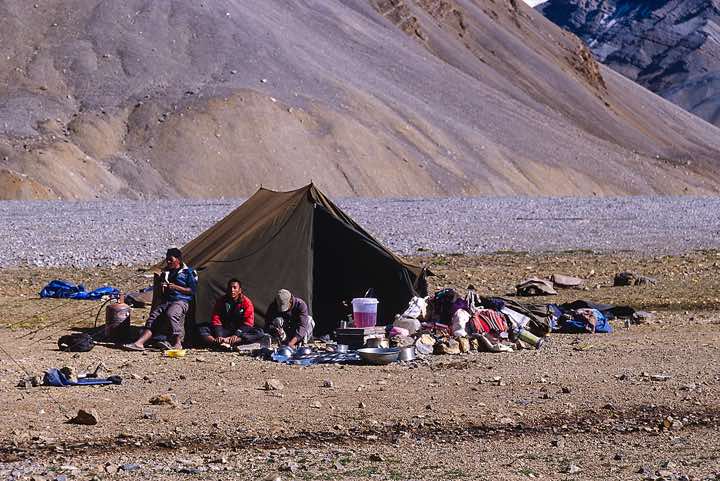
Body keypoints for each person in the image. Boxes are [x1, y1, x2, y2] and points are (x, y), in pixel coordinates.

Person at [124, 248, 198, 351]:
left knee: (172, 314)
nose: (168, 262)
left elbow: (192, 290)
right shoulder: (166, 272)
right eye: (167, 259)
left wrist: (176, 287)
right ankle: (139, 343)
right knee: (153, 318)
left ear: (178, 259)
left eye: (171, 259)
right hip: (167, 300)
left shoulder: (188, 272)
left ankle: (177, 342)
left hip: (181, 300)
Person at [197, 278, 255, 348]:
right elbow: (216, 319)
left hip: (239, 332)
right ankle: (216, 342)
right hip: (224, 330)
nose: (232, 290)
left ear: (239, 290)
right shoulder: (221, 301)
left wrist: (236, 334)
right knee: (202, 328)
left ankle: (231, 342)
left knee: (258, 332)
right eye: (230, 288)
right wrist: (219, 335)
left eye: (234, 288)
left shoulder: (246, 302)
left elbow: (248, 323)